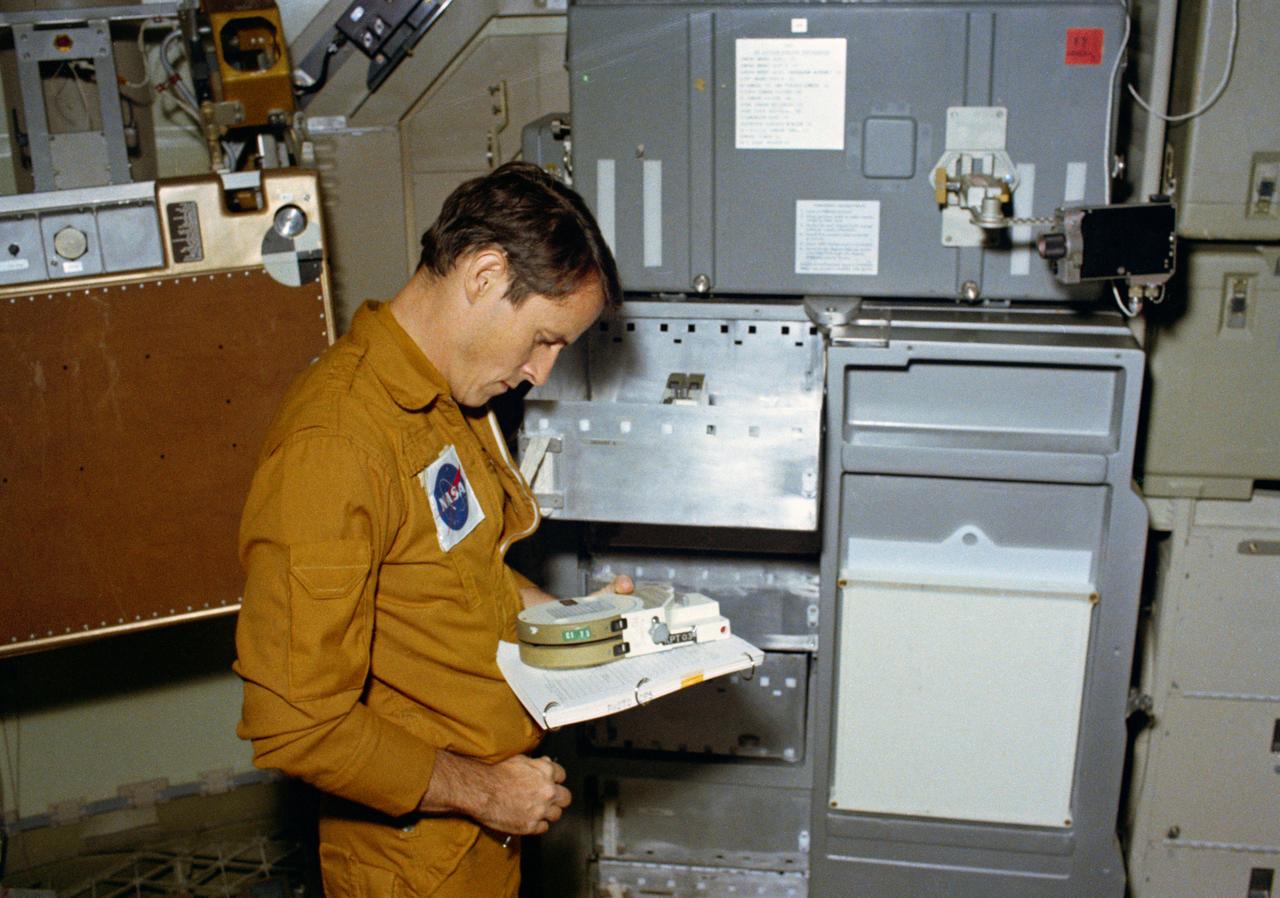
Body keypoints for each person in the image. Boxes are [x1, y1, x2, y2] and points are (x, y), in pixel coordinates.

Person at [233, 162, 629, 897]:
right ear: (484, 273)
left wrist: (586, 625)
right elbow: (295, 723)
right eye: (543, 339)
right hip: (412, 856)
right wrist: (484, 792)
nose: (541, 372)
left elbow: (460, 578)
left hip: (475, 834)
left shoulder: (442, 402)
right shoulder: (338, 445)